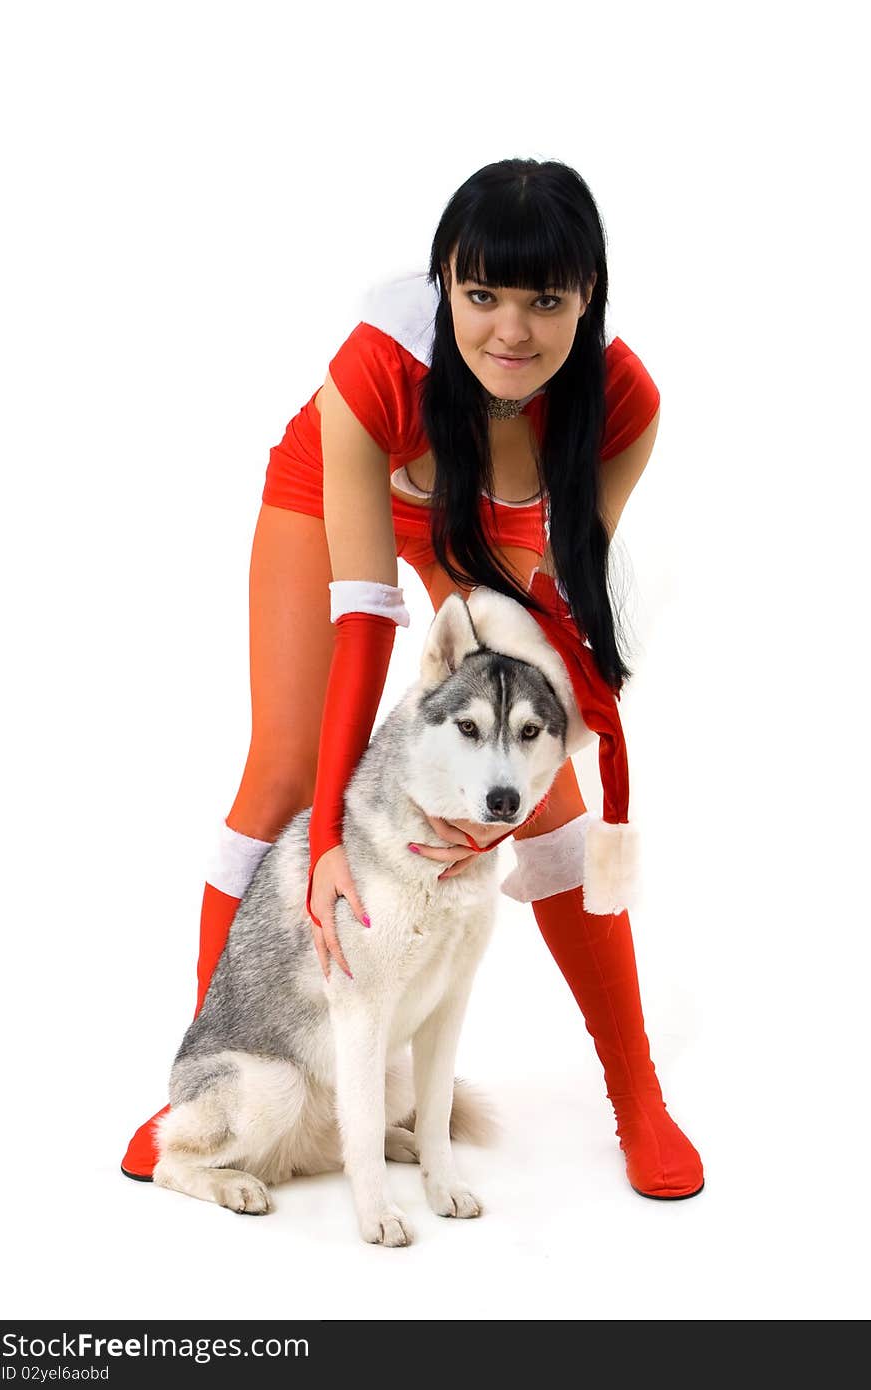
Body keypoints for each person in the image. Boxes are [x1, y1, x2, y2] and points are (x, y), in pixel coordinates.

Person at [120, 157, 704, 1200]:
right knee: (289, 773)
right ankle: (200, 1081)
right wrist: (338, 838)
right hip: (330, 488)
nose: (510, 331)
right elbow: (367, 626)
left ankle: (637, 1092)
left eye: (545, 300)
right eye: (481, 295)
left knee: (547, 795)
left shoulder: (622, 406)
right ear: (444, 286)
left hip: (474, 531)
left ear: (589, 299)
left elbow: (560, 624)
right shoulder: (374, 369)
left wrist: (575, 736)